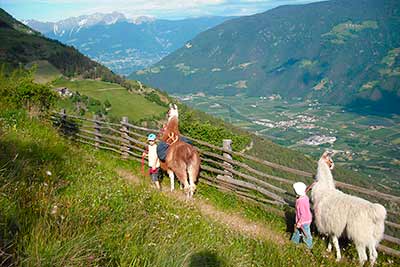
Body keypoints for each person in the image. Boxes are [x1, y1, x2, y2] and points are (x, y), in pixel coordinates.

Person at [291, 182, 313, 249]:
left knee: (306, 234)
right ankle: (294, 243)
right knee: (297, 232)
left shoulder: (300, 202)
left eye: (295, 191)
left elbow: (303, 214)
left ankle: (309, 246)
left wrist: (299, 223)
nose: (294, 192)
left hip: (303, 221)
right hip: (306, 219)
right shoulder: (305, 197)